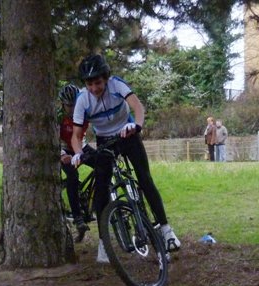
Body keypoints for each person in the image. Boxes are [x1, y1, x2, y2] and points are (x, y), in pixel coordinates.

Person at [70, 54, 180, 263]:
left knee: (145, 179)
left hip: (127, 133)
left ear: (106, 79)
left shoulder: (116, 85)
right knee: (101, 191)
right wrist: (77, 153)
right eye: (90, 84)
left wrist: (136, 125)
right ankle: (104, 244)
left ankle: (166, 230)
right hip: (105, 140)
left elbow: (137, 107)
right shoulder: (82, 99)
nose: (94, 88)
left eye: (98, 82)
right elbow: (76, 136)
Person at [58, 84, 96, 242]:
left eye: (75, 104)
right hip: (64, 149)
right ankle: (78, 217)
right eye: (69, 106)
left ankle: (98, 204)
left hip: (81, 145)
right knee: (72, 176)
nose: (73, 109)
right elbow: (52, 139)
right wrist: (61, 155)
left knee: (103, 163)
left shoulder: (85, 111)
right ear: (62, 105)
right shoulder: (58, 116)